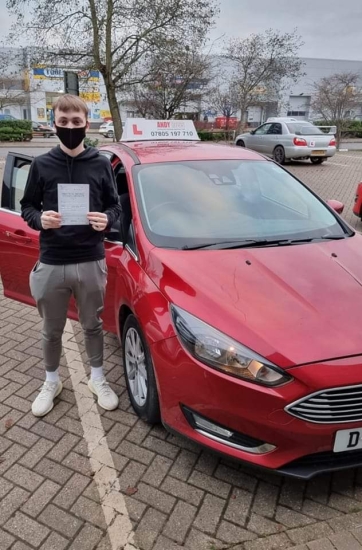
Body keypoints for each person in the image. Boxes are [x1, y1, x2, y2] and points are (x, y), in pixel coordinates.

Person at [20, 94, 122, 417]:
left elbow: (115, 206)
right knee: (51, 329)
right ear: (54, 124)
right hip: (52, 260)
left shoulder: (100, 163)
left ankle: (97, 377)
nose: (70, 127)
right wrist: (40, 220)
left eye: (76, 122)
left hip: (90, 259)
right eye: (63, 122)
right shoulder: (42, 165)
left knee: (93, 325)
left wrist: (107, 220)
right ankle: (52, 381)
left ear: (86, 124)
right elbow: (27, 207)